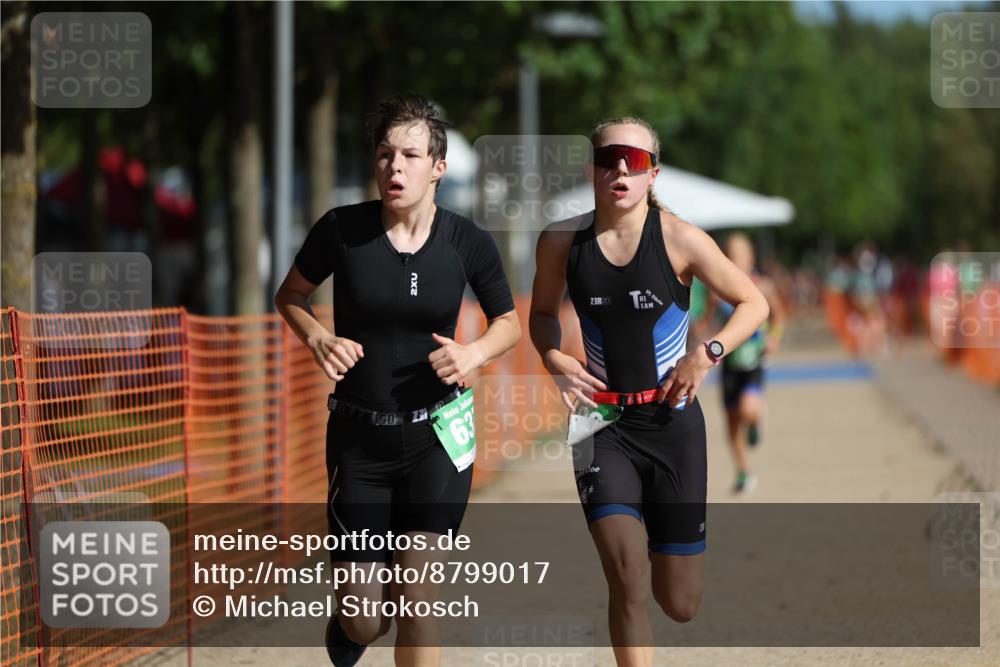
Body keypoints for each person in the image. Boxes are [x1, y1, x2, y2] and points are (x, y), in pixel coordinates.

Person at [275, 94, 520, 667]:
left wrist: (473, 354)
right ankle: (353, 624)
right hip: (360, 440)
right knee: (364, 617)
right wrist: (317, 337)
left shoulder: (468, 242)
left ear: (438, 166)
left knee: (419, 601)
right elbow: (290, 295)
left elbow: (507, 322)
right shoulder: (342, 229)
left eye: (410, 155)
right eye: (385, 154)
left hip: (439, 437)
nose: (395, 167)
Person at [529, 117, 768, 667]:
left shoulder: (681, 238)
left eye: (633, 161)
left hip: (672, 425)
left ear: (651, 173)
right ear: (592, 168)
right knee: (628, 578)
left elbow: (755, 304)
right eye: (609, 157)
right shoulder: (561, 241)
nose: (620, 168)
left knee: (679, 601)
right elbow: (542, 314)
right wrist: (554, 357)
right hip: (600, 426)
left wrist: (706, 354)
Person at [706, 233, 786, 494]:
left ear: (750, 258)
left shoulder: (762, 285)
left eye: (738, 256)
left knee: (748, 410)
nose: (733, 260)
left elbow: (779, 316)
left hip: (753, 361)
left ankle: (755, 421)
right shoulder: (718, 289)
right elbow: (708, 319)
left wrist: (773, 338)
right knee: (730, 421)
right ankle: (743, 471)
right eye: (729, 255)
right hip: (729, 363)